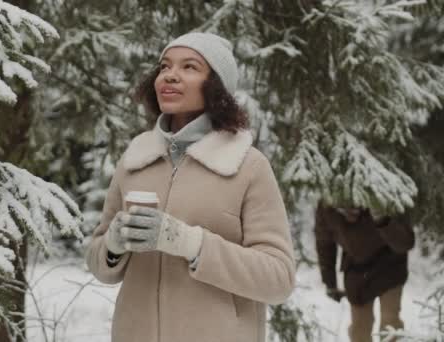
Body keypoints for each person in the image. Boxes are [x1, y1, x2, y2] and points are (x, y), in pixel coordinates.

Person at [85, 32, 296, 342]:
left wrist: (190, 244)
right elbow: (100, 265)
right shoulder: (136, 158)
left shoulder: (248, 165)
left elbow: (279, 278)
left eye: (189, 67)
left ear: (216, 86)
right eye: (164, 66)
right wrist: (113, 245)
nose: (170, 75)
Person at [314, 202, 415, 342]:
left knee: (390, 323)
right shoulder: (328, 203)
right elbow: (324, 243)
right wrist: (329, 282)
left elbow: (405, 242)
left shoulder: (382, 192)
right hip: (357, 272)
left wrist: (382, 219)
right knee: (359, 329)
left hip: (390, 266)